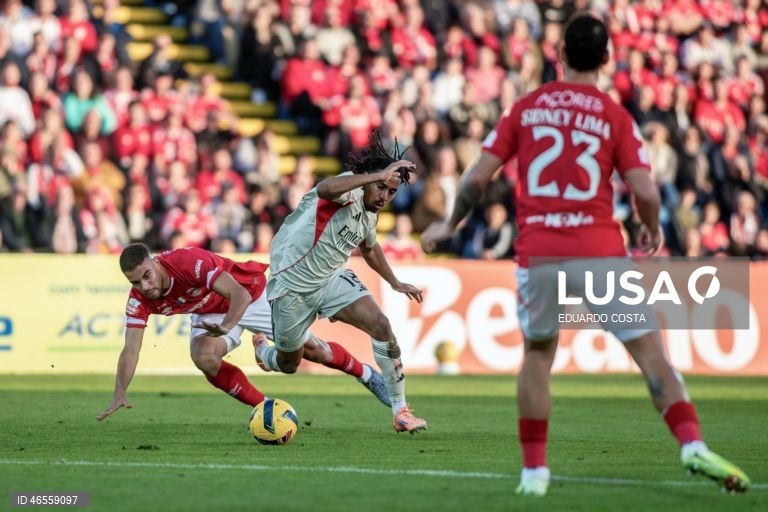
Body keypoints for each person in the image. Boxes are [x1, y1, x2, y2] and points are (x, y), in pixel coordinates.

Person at [421, 14, 750, 496]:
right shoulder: (614, 115)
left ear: (559, 55)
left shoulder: (526, 108)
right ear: (607, 58)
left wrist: (450, 223)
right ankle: (691, 443)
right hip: (600, 253)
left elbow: (475, 178)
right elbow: (646, 191)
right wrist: (651, 227)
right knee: (650, 353)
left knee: (538, 355)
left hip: (539, 252)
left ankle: (535, 473)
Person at [96, 242, 391, 421]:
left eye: (147, 276)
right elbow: (130, 349)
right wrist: (120, 391)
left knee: (314, 353)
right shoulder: (140, 299)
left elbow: (240, 294)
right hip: (211, 311)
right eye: (135, 282)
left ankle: (366, 374)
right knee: (204, 357)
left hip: (252, 295)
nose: (145, 286)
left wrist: (226, 326)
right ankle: (267, 409)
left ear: (155, 261)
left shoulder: (186, 262)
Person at [254, 131, 427, 434]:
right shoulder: (349, 189)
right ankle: (263, 353)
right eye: (381, 187)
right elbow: (324, 188)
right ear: (368, 178)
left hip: (331, 280)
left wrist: (395, 282)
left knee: (381, 326)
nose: (384, 197)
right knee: (288, 364)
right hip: (291, 287)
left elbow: (369, 249)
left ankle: (401, 411)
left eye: (391, 192)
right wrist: (376, 176)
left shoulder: (370, 213)